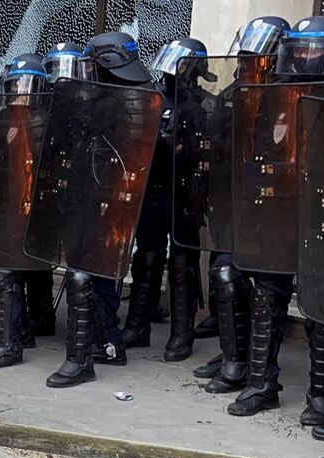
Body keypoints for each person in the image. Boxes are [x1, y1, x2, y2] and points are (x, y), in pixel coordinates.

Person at [227, 15, 324, 417]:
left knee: (319, 305)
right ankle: (262, 384)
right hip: (278, 209)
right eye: (299, 47)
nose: (304, 56)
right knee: (266, 294)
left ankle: (322, 394)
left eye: (312, 48)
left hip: (320, 214)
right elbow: (262, 147)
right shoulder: (278, 91)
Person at [46, 31, 150, 388]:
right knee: (100, 274)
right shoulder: (128, 98)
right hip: (100, 200)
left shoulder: (111, 103)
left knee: (84, 274)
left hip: (102, 201)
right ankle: (108, 343)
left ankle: (83, 358)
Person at [196, 16, 289, 397]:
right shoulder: (236, 93)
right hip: (237, 208)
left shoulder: (290, 95)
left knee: (268, 292)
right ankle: (234, 357)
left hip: (280, 213)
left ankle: (262, 376)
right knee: (224, 275)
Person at [120, 37, 208, 362]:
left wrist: (179, 150)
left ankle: (181, 334)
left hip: (183, 193)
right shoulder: (155, 99)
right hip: (153, 188)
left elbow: (203, 154)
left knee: (182, 262)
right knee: (147, 256)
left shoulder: (201, 107)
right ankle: (138, 325)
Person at [0, 53, 49, 368]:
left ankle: (11, 344)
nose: (20, 93)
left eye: (26, 86)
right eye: (15, 86)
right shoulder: (4, 119)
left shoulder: (41, 121)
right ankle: (16, 331)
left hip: (27, 207)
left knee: (8, 272)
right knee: (4, 273)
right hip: (4, 204)